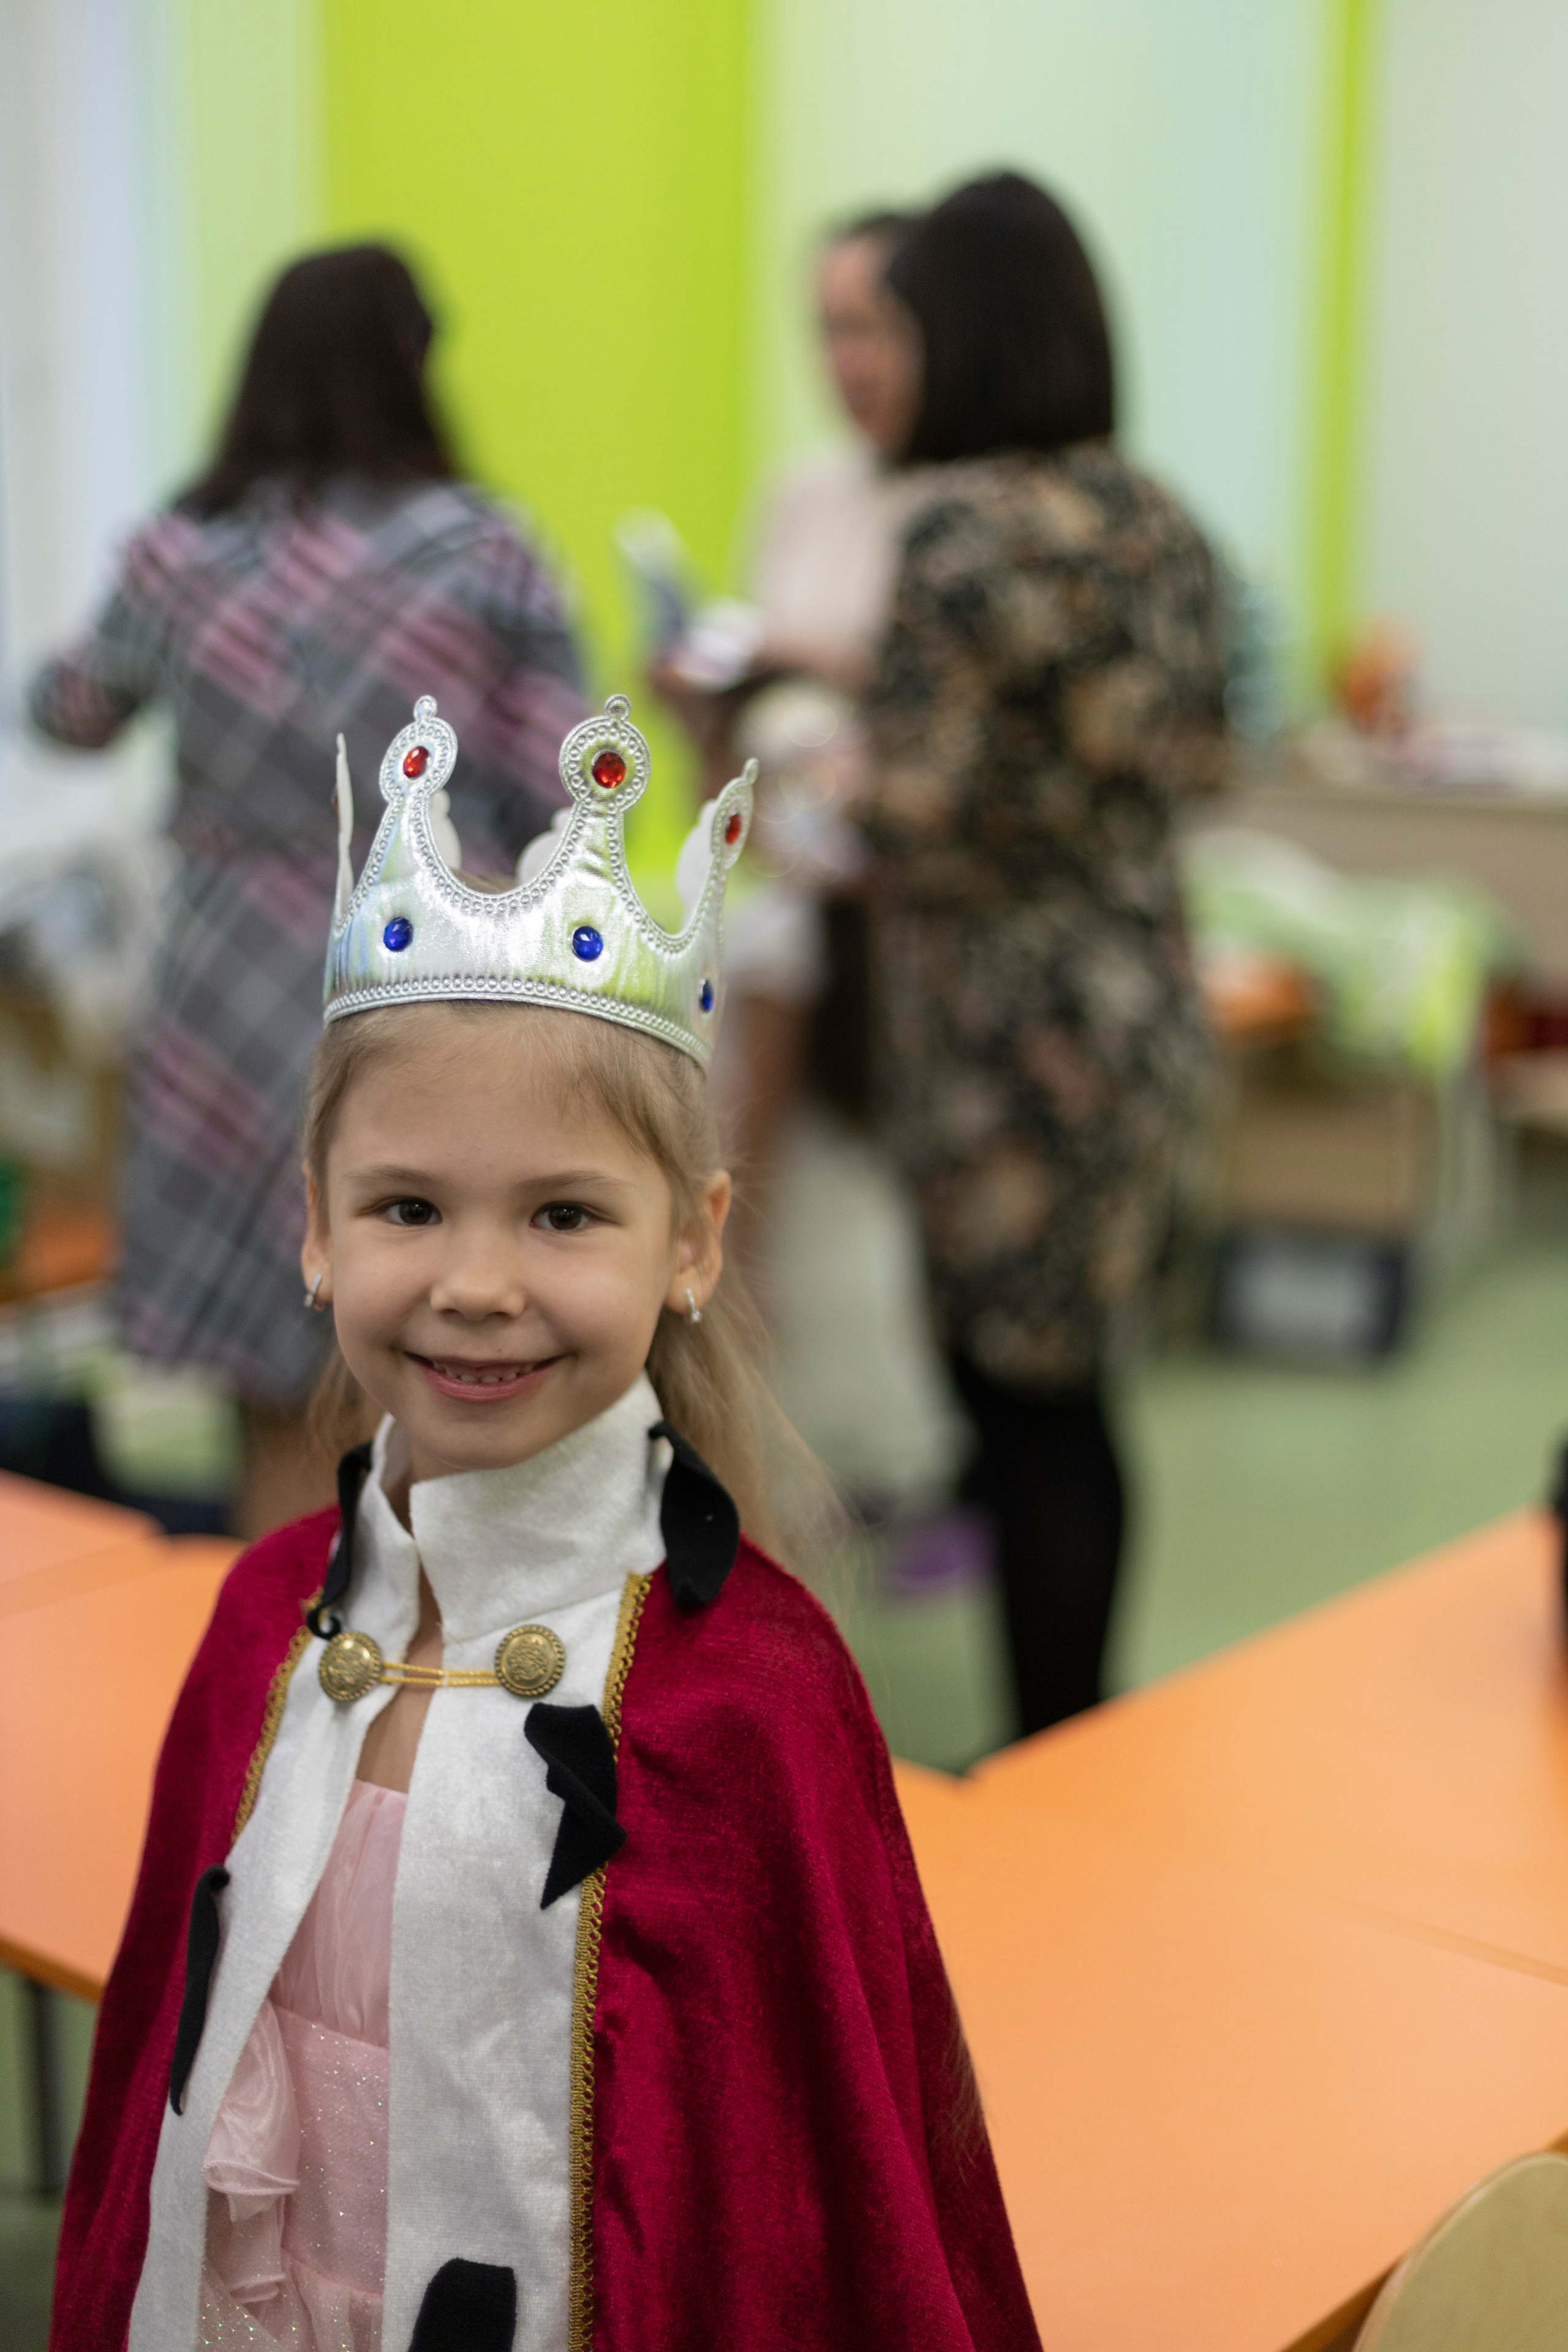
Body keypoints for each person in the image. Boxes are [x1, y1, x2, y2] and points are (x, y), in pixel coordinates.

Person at [48, 695, 1041, 2352]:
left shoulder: (752, 1697)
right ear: (313, 1227)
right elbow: (158, 2105)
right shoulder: (261, 1629)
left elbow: (816, 2219)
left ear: (694, 1242)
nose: (477, 1284)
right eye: (408, 1208)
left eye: (564, 1214)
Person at [28, 244, 585, 1539]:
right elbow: (570, 773)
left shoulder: (181, 553)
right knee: (434, 1343)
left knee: (264, 1383)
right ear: (414, 364)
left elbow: (70, 711)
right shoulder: (486, 550)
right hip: (415, 960)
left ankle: (274, 1678)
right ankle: (424, 1674)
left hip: (222, 986)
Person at [858, 172, 1228, 1736]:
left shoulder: (958, 533)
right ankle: (1078, 1732)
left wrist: (821, 784)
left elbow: (917, 807)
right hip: (1139, 997)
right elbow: (1201, 755)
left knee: (1020, 1411)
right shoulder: (1157, 521)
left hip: (1010, 1036)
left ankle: (1054, 1751)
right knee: (1074, 1403)